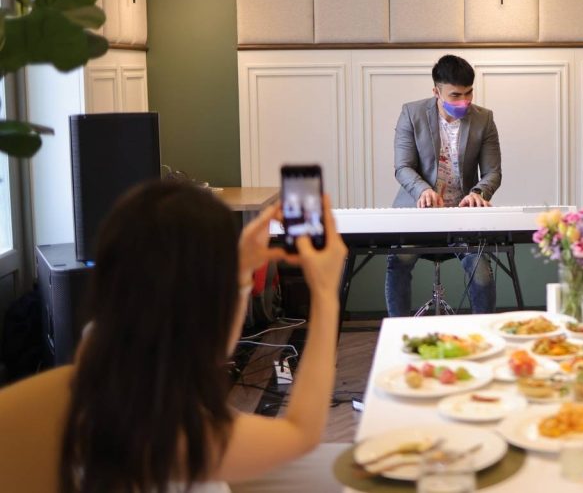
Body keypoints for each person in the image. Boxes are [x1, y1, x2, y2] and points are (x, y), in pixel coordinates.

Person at [8, 180, 347, 492]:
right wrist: (326, 296)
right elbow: (300, 434)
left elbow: (213, 346)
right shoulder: (172, 435)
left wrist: (242, 269)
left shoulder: (102, 346)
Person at [386, 54, 502, 315]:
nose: (464, 101)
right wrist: (423, 190)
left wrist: (478, 192)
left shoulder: (484, 119)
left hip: (463, 215)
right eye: (456, 95)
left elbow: (493, 172)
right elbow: (402, 167)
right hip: (419, 214)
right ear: (436, 91)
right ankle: (398, 333)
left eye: (469, 93)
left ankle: (484, 339)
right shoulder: (411, 113)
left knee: (482, 273)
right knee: (398, 262)